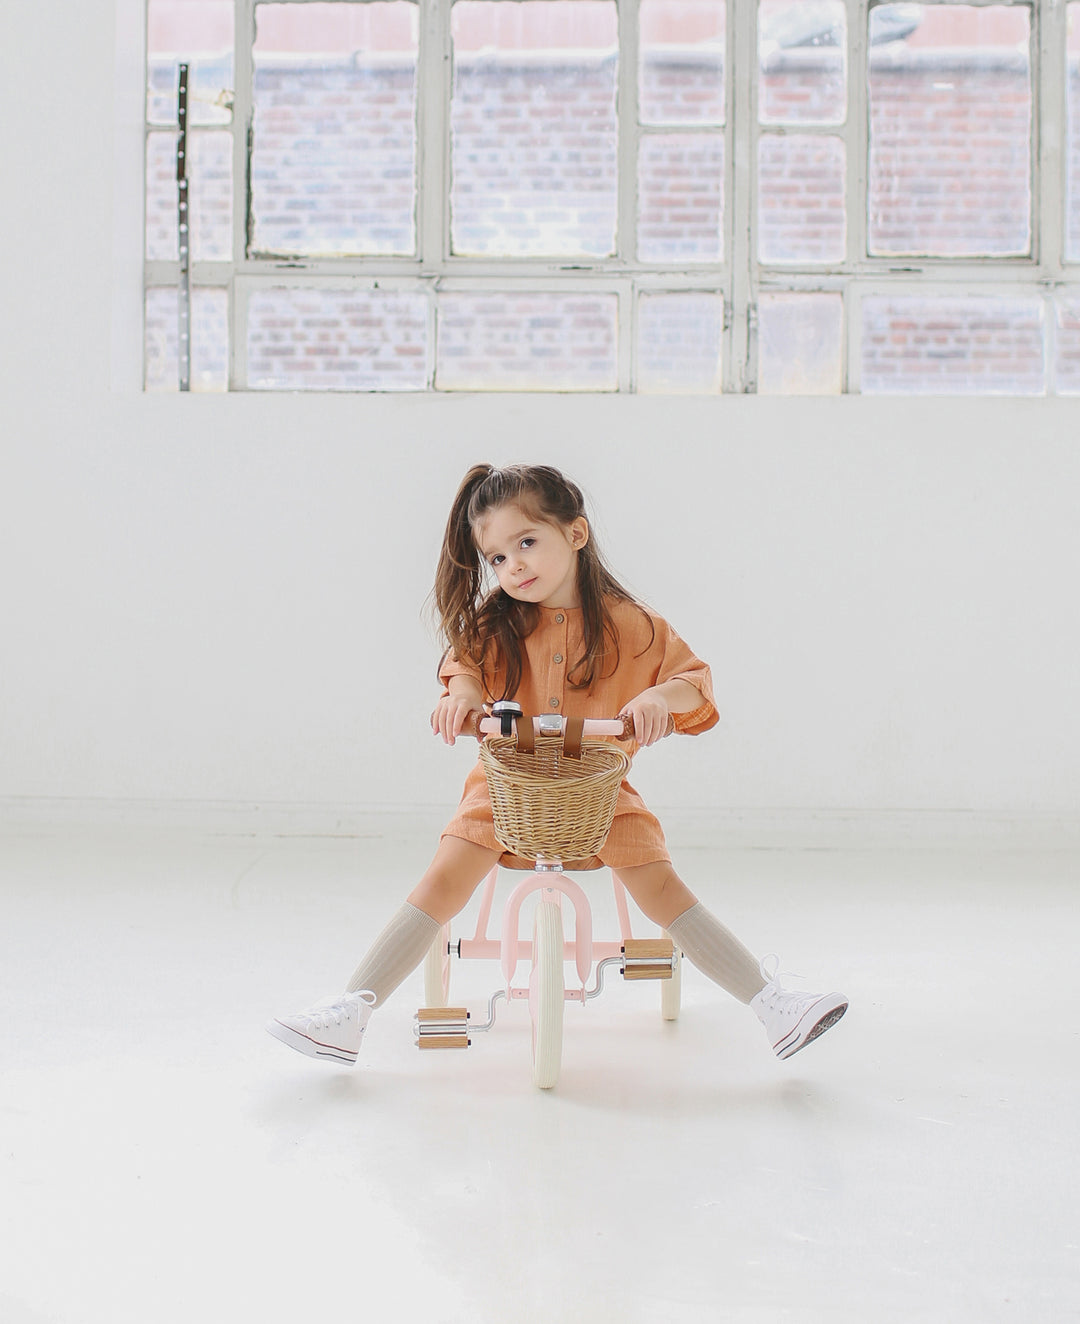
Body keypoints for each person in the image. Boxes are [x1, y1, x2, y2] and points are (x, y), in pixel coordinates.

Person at [267, 464, 847, 1067]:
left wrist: (657, 698)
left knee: (661, 885)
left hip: (599, 790)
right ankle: (352, 1009)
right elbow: (464, 669)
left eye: (526, 542)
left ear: (575, 533)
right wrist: (461, 698)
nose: (513, 566)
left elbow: (693, 683)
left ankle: (771, 1004)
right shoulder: (495, 624)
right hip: (505, 788)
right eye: (496, 558)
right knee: (442, 880)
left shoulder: (633, 626)